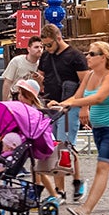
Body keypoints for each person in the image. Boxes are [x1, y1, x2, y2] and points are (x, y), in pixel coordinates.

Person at [54, 40, 109, 215]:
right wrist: (61, 104)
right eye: (87, 53)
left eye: (91, 54)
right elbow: (77, 97)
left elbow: (98, 98)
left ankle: (86, 210)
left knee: (102, 167)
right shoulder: (90, 75)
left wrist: (68, 103)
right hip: (99, 129)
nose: (87, 57)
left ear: (103, 57)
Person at [36, 23, 89, 201]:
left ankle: (72, 183)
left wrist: (84, 107)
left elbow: (85, 83)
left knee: (65, 147)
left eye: (50, 44)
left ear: (59, 38)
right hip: (50, 106)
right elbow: (42, 77)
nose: (47, 48)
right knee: (54, 147)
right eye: (45, 45)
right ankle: (63, 189)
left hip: (70, 107)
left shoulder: (75, 56)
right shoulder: (45, 56)